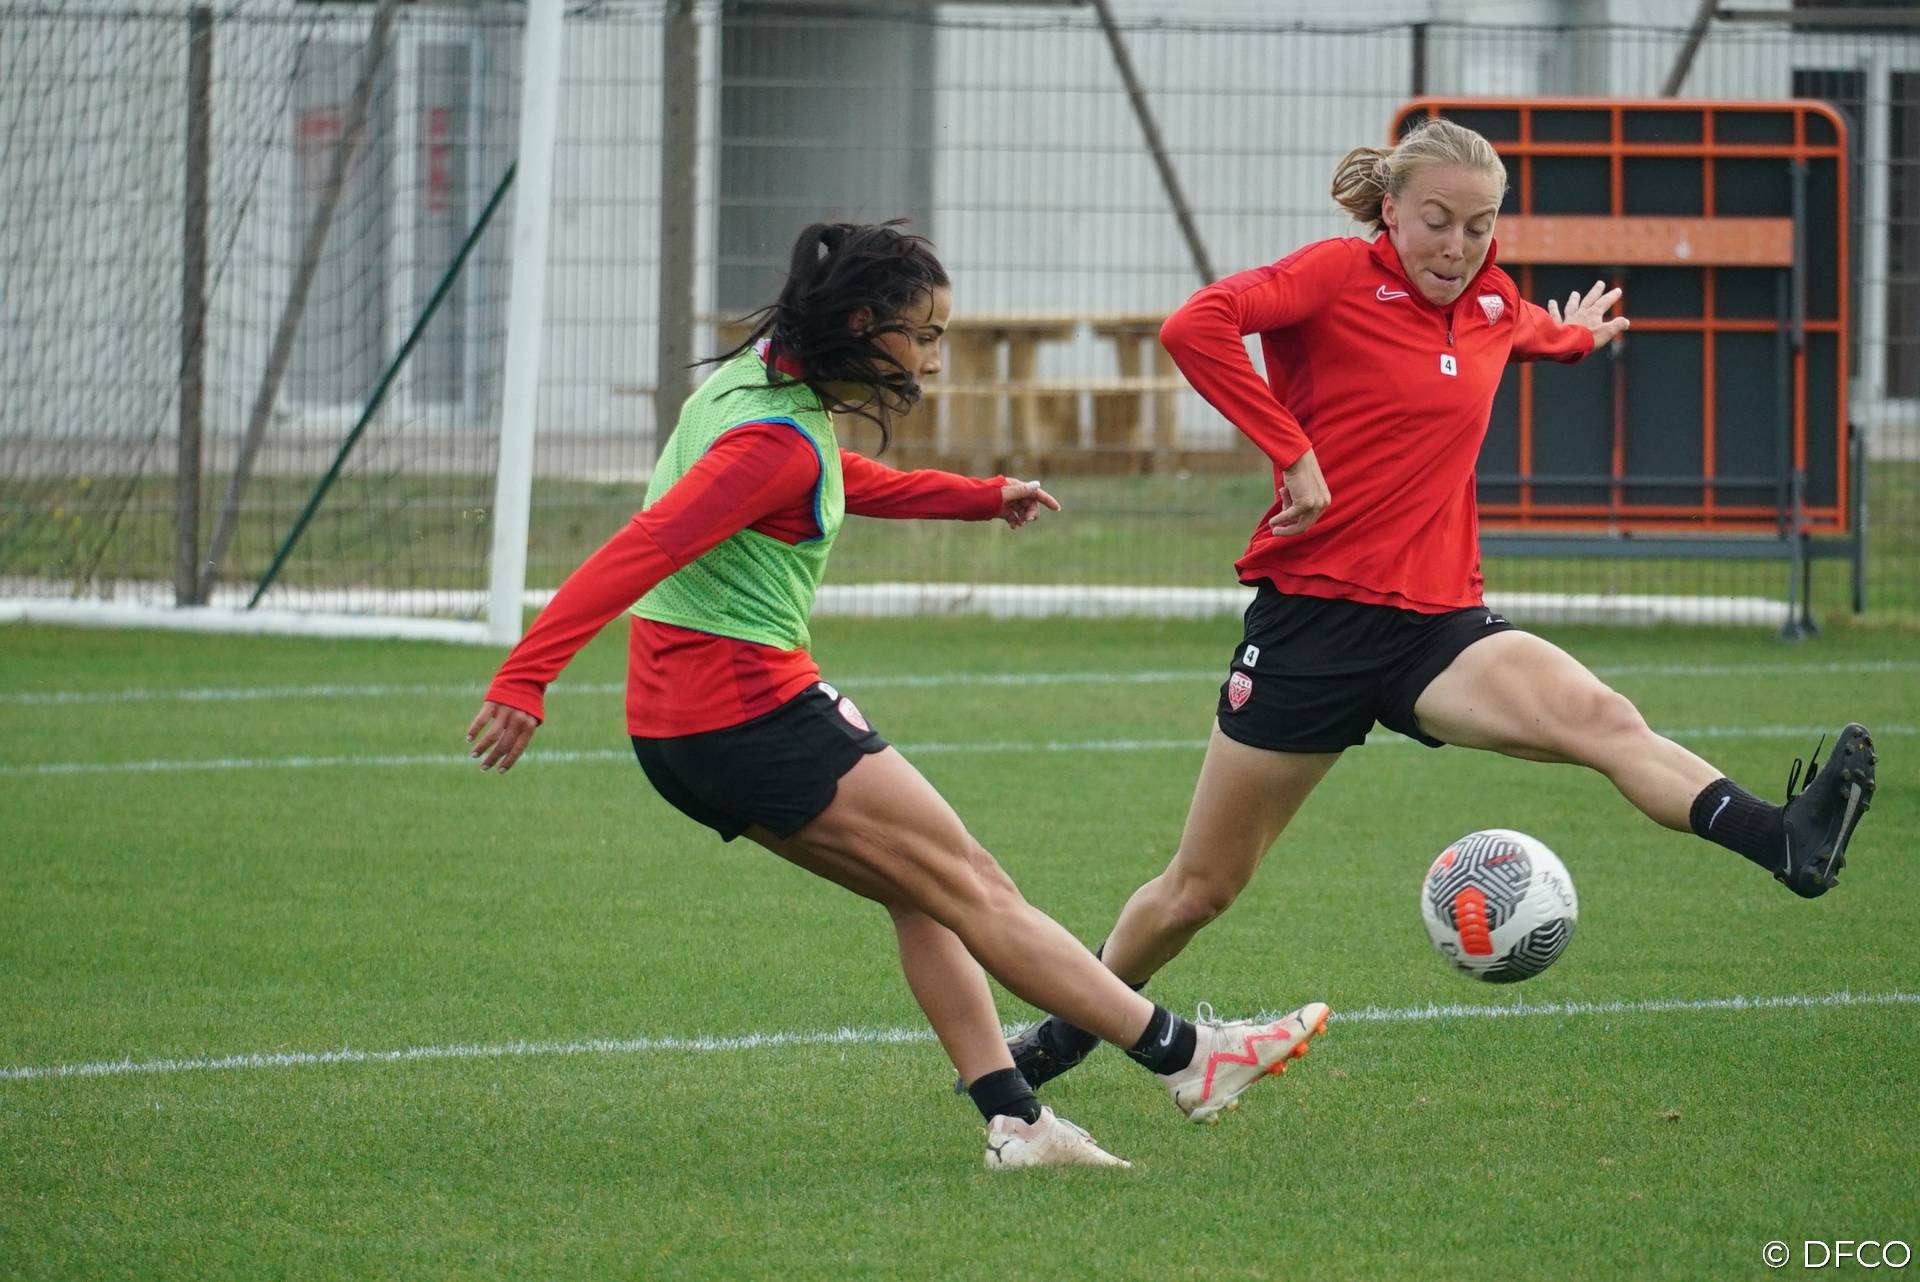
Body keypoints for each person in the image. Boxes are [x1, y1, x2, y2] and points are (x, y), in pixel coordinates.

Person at [1001, 118, 1878, 1091]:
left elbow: (1524, 332)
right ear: (1390, 211)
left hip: (1437, 627)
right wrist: (1291, 451)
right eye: (1436, 221)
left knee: (1603, 719)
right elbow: (1195, 326)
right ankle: (1056, 1043)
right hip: (1314, 628)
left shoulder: (1491, 299)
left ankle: (1783, 838)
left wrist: (1576, 338)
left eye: (1479, 225)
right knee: (1198, 891)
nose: (1457, 247)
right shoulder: (1335, 275)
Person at [464, 221, 1330, 1170]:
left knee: (924, 895)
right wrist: (525, 675)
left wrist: (973, 495)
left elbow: (829, 479)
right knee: (975, 886)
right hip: (746, 709)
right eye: (924, 335)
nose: (934, 358)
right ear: (861, 323)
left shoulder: (756, 381)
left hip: (684, 724)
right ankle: (1188, 1057)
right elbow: (647, 546)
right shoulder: (774, 442)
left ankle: (1018, 1124)